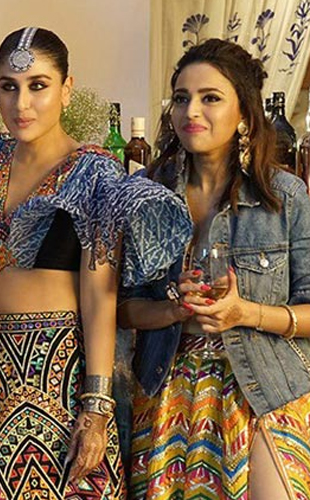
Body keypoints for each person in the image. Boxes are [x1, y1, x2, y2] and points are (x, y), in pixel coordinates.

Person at [0, 27, 191, 499]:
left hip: (59, 373)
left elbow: (99, 295)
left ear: (66, 89)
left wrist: (97, 406)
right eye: (8, 86)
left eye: (38, 86)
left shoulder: (94, 172)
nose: (22, 103)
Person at [119, 38, 310, 500]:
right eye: (181, 98)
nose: (191, 112)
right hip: (167, 386)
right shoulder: (145, 192)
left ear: (244, 113)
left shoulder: (284, 196)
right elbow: (122, 309)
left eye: (210, 98)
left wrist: (245, 313)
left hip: (265, 384)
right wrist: (172, 310)